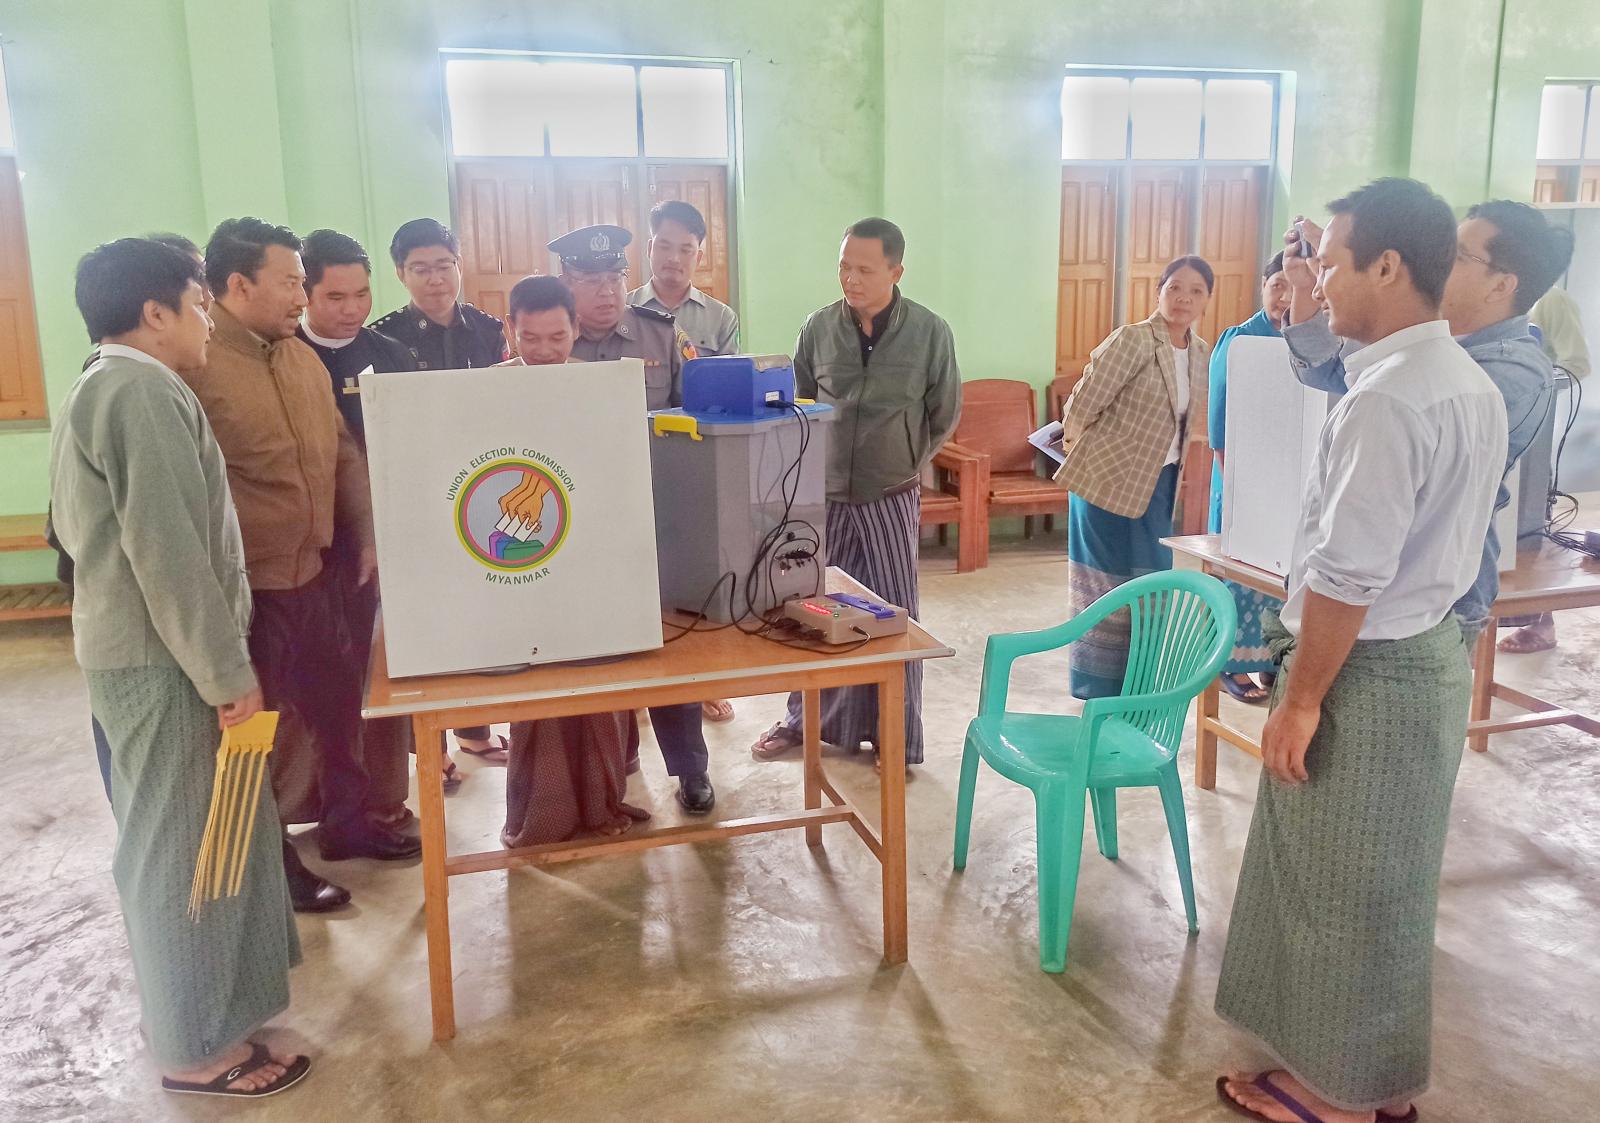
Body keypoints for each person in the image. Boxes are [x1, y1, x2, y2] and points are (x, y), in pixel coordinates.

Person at [1215, 178, 1508, 1123]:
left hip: (1365, 674)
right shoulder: (1460, 379)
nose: (1320, 282)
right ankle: (1369, 1080)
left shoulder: (1390, 400)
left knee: (1339, 892)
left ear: (1387, 266)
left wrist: (1301, 700)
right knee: (1384, 890)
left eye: (1333, 264)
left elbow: (1349, 574)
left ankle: (1336, 1097)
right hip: (1425, 659)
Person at [51, 237, 309, 1097]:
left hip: (164, 657)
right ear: (154, 313)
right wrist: (226, 674)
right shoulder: (136, 390)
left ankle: (209, 1011)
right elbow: (168, 556)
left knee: (214, 836)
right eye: (198, 305)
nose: (206, 322)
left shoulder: (117, 383)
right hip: (167, 663)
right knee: (182, 849)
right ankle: (192, 1050)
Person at [180, 217, 420, 916]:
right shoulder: (196, 367)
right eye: (290, 282)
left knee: (338, 711)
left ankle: (347, 824)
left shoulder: (299, 360)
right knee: (248, 738)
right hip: (245, 591)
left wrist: (365, 531)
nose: (301, 296)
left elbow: (342, 453)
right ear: (238, 284)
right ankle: (260, 871)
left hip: (313, 579)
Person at [1282, 200, 1570, 651]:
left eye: (1456, 254)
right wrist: (1319, 285)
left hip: (1426, 606)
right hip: (1371, 594)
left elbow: (1403, 398)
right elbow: (1328, 373)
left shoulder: (1513, 370)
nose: (1436, 259)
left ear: (1501, 285)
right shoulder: (1426, 348)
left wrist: (1359, 284)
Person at [750, 218, 962, 769]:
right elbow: (798, 407)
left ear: (896, 271)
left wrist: (904, 461)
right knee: (813, 607)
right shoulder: (818, 328)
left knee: (892, 614)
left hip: (890, 493)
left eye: (865, 269)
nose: (851, 279)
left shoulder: (930, 332)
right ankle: (804, 720)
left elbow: (944, 412)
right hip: (824, 497)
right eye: (844, 267)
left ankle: (897, 736)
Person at [551, 223, 717, 815]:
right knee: (591, 647)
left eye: (615, 277)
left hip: (652, 519)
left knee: (667, 645)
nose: (607, 290)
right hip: (573, 526)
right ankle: (608, 769)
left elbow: (694, 425)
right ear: (566, 282)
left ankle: (691, 768)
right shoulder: (549, 339)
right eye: (591, 279)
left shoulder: (661, 334)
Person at [492, 274, 652, 844]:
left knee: (597, 680)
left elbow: (624, 469)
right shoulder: (485, 391)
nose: (544, 351)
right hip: (525, 559)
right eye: (530, 338)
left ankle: (603, 800)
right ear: (510, 330)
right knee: (540, 686)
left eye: (557, 338)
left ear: (576, 329)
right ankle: (544, 813)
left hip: (593, 558)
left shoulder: (602, 387)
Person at [295, 228, 426, 830]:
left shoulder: (392, 354)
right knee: (314, 679)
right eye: (335, 297)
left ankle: (385, 799)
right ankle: (315, 804)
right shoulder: (288, 356)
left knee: (379, 669)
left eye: (361, 295)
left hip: (381, 543)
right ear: (305, 293)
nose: (352, 310)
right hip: (309, 547)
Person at [373, 218, 513, 762]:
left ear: (459, 265)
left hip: (480, 484)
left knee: (478, 606)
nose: (435, 280)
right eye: (420, 269)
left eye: (444, 266)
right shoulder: (385, 338)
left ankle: (474, 730)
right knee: (425, 613)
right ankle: (429, 751)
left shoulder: (487, 329)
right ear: (400, 274)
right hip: (419, 488)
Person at [1054, 255, 1214, 699]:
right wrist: (1085, 456)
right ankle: (1096, 689)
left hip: (1159, 484)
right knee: (1103, 586)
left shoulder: (1201, 353)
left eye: (1196, 291)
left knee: (1150, 583)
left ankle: (1139, 684)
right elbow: (1082, 405)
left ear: (1206, 300)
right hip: (1104, 482)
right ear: (1159, 291)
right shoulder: (1134, 339)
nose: (1183, 298)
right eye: (1174, 287)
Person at [628, 199, 742, 724]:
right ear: (649, 247)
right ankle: (637, 686)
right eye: (664, 246)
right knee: (640, 578)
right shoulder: (624, 312)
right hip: (639, 468)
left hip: (698, 470)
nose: (673, 258)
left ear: (699, 254)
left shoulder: (719, 318)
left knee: (697, 578)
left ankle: (701, 684)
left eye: (686, 249)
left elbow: (728, 398)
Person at [1208, 253, 1293, 704]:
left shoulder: (1310, 343)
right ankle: (1227, 662)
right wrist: (1233, 481)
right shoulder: (1240, 340)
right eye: (1277, 285)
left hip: (1288, 476)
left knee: (1281, 575)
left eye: (1293, 287)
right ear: (1263, 286)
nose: (1285, 297)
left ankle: (1272, 662)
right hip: (1239, 471)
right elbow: (1219, 416)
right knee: (1239, 572)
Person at [1502, 286, 1591, 654]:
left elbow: (1577, 363)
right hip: (1494, 428)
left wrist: (1532, 385)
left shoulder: (1550, 300)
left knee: (1530, 532)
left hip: (1531, 436)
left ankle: (1541, 623)